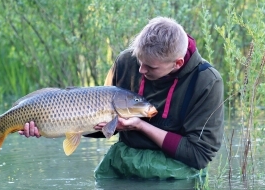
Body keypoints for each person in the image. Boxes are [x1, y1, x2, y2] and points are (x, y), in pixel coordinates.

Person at [19, 16, 224, 179]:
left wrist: (142, 126)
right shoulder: (127, 61)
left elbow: (199, 155)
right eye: (139, 61)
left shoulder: (206, 82)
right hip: (124, 162)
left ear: (177, 64)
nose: (141, 69)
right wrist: (50, 125)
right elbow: (103, 126)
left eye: (150, 67)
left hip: (176, 172)